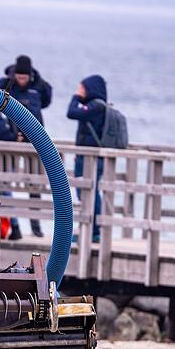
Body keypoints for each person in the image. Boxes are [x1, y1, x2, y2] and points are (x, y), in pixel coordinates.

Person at [0, 55, 53, 239]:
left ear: (30, 75)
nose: (22, 80)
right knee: (5, 179)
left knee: (34, 184)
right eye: (19, 76)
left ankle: (36, 226)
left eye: (25, 77)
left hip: (35, 138)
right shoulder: (7, 83)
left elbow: (47, 101)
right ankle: (15, 224)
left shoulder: (40, 86)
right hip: (14, 138)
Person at [66, 74, 107, 242]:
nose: (79, 91)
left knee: (90, 191)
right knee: (86, 192)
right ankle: (90, 228)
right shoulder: (94, 107)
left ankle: (94, 230)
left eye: (82, 88)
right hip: (84, 156)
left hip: (91, 158)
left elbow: (71, 112)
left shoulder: (96, 107)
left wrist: (75, 97)